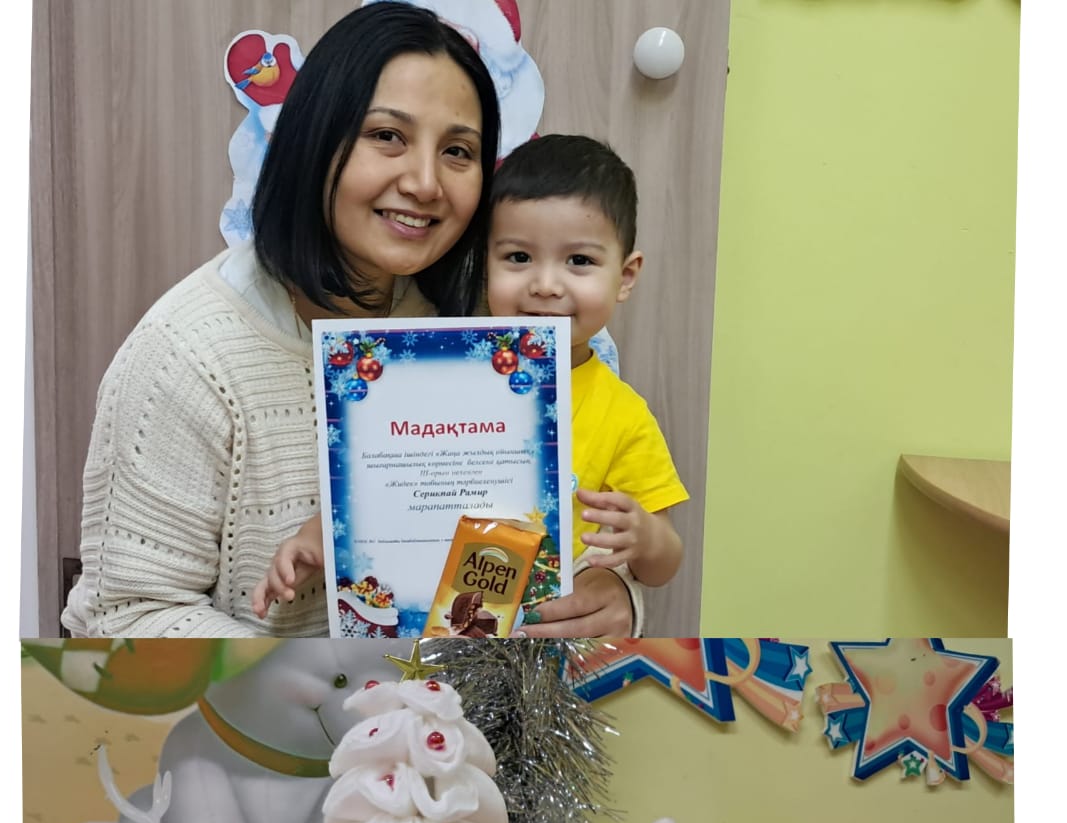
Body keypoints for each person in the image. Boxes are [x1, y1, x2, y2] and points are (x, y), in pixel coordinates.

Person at [61, 4, 635, 637]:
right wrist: (339, 686)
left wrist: (614, 592)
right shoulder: (187, 355)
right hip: (277, 700)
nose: (425, 183)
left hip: (479, 691)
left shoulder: (509, 316)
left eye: (458, 151)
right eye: (386, 136)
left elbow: (594, 522)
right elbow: (127, 614)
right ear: (314, 138)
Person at [255, 134, 686, 635]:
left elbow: (663, 566)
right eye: (518, 257)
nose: (546, 285)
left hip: (543, 642)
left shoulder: (623, 414)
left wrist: (647, 540)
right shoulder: (441, 376)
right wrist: (319, 537)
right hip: (425, 629)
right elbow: (385, 484)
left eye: (580, 262)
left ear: (626, 276)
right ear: (485, 263)